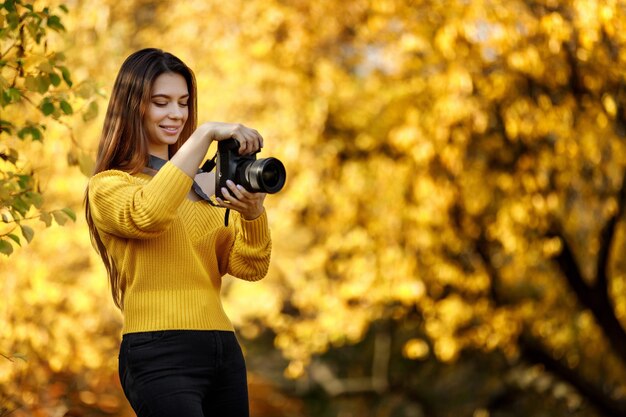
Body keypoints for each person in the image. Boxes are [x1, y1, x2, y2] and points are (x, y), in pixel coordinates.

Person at [84, 48, 272, 417]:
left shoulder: (203, 188)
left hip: (223, 348)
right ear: (132, 106)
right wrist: (203, 135)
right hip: (158, 352)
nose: (176, 114)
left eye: (184, 103)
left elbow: (249, 267)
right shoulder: (109, 186)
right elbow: (148, 214)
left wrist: (253, 215)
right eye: (161, 102)